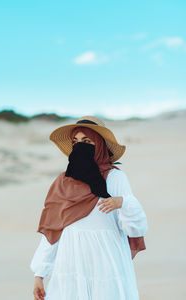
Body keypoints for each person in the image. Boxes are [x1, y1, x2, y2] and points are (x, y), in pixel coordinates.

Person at [30, 115, 148, 300]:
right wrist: (40, 274)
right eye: (75, 141)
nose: (80, 146)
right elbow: (53, 231)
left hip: (106, 263)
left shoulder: (115, 178)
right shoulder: (63, 182)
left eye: (87, 141)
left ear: (100, 145)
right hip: (71, 263)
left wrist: (123, 203)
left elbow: (134, 228)